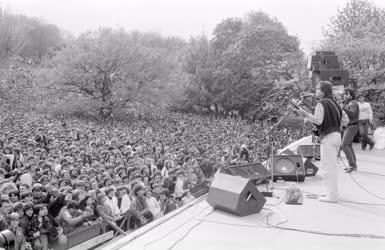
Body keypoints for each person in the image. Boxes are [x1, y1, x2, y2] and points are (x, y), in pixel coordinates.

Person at [296, 81, 348, 203]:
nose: (316, 92)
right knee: (332, 167)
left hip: (329, 137)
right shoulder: (336, 103)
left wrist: (305, 114)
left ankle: (332, 196)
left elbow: (318, 121)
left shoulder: (321, 103)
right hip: (337, 135)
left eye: (318, 89)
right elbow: (346, 120)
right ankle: (331, 193)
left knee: (327, 167)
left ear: (323, 91)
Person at [341, 88, 359, 173]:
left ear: (351, 95)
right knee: (349, 145)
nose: (345, 95)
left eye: (347, 94)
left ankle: (352, 165)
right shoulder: (347, 102)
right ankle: (354, 165)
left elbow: (353, 113)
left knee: (344, 145)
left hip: (352, 127)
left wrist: (343, 108)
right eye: (344, 94)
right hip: (349, 126)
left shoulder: (353, 103)